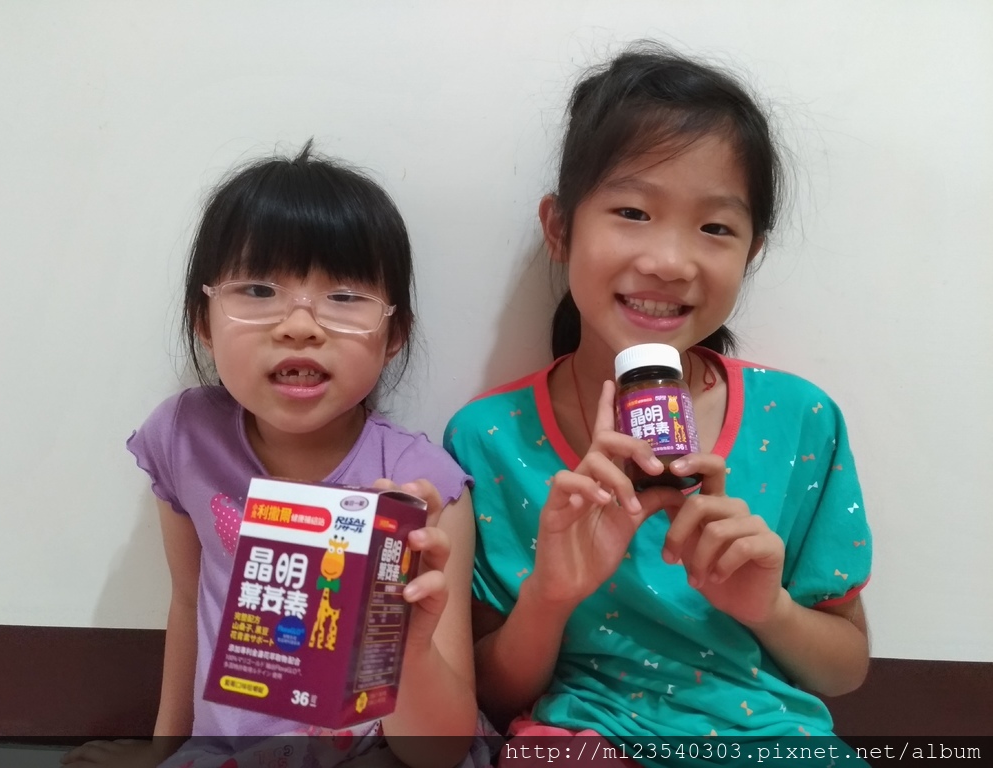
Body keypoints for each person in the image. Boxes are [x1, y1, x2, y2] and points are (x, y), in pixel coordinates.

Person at [444, 43, 872, 764]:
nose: (670, 262)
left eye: (715, 228)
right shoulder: (489, 438)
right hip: (579, 740)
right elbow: (489, 694)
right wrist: (550, 595)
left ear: (751, 253)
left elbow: (845, 669)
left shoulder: (801, 419)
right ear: (559, 228)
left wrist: (768, 608)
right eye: (633, 211)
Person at [63, 142, 488, 768]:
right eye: (259, 289)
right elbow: (188, 603)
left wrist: (410, 647)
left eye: (345, 297)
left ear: (393, 334)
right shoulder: (184, 438)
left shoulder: (420, 488)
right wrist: (163, 750)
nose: (300, 325)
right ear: (204, 320)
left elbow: (440, 752)